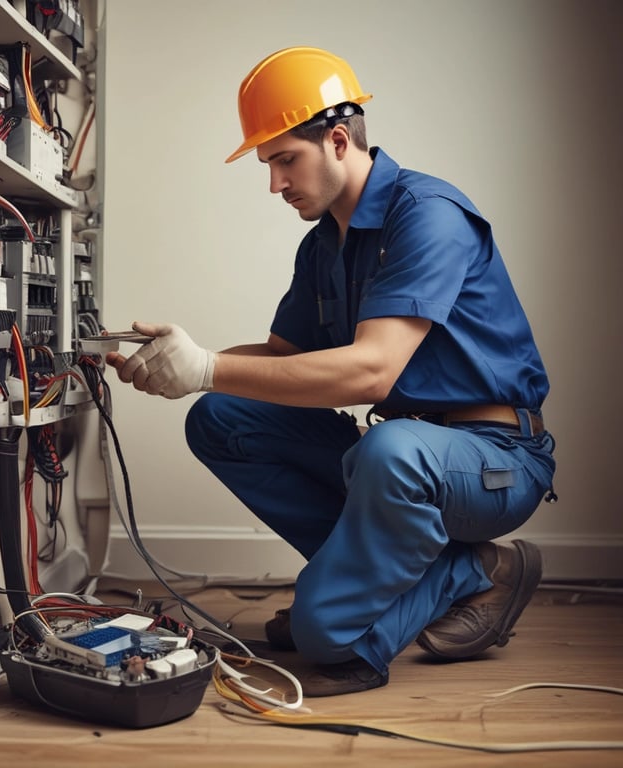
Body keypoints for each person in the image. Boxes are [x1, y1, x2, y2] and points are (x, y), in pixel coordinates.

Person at [105, 46, 557, 697]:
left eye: (285, 159)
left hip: (494, 459)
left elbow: (372, 371)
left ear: (338, 140)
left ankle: (466, 575)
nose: (274, 183)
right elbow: (284, 361)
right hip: (395, 459)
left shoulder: (427, 214)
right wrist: (185, 363)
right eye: (268, 165)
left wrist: (206, 367)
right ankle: (408, 578)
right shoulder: (322, 245)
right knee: (221, 417)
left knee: (322, 634)